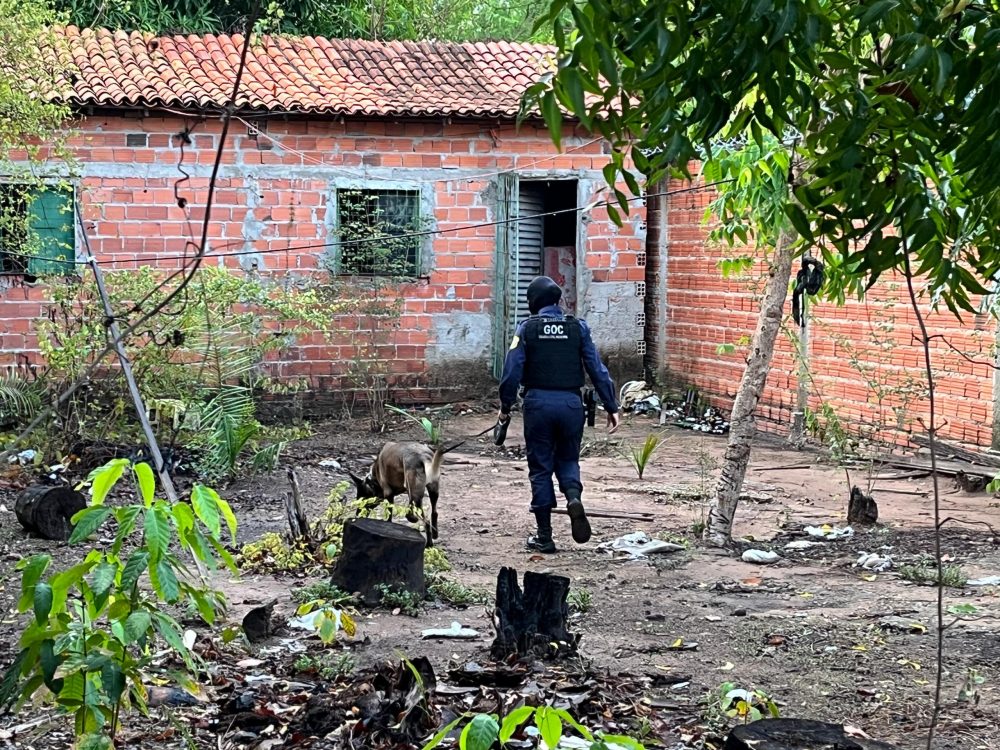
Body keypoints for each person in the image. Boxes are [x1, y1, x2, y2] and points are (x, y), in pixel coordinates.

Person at [497, 276, 621, 553]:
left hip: (538, 404)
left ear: (533, 302)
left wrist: (505, 407)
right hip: (571, 405)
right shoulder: (578, 328)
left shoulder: (527, 328)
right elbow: (597, 368)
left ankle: (544, 535)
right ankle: (573, 498)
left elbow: (511, 372)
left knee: (540, 466)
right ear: (557, 301)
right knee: (567, 458)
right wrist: (611, 406)